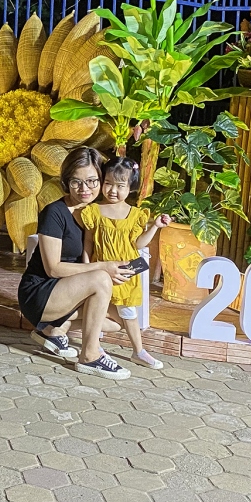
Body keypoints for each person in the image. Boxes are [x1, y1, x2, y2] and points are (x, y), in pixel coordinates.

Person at [17, 146, 135, 380]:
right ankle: (90, 356)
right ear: (66, 182)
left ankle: (55, 329)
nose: (84, 189)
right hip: (42, 290)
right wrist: (103, 267)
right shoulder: (55, 213)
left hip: (74, 288)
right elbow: (54, 268)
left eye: (92, 181)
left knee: (119, 321)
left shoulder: (100, 212)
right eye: (76, 182)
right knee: (101, 279)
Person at [80, 157, 171, 370]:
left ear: (130, 188)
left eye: (120, 186)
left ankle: (138, 351)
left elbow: (138, 244)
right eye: (108, 183)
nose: (113, 190)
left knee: (129, 312)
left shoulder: (136, 215)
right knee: (97, 309)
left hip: (126, 274)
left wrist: (155, 226)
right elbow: (88, 244)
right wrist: (85, 269)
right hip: (100, 272)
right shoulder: (93, 211)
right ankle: (95, 347)